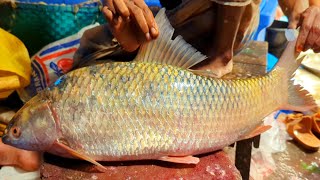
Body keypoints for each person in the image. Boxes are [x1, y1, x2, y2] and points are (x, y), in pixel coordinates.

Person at [1, 0, 320, 172]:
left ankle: (240, 67)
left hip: (226, 33)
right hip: (160, 30)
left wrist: (305, 8)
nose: (15, 136)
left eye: (16, 133)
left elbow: (296, 4)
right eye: (15, 132)